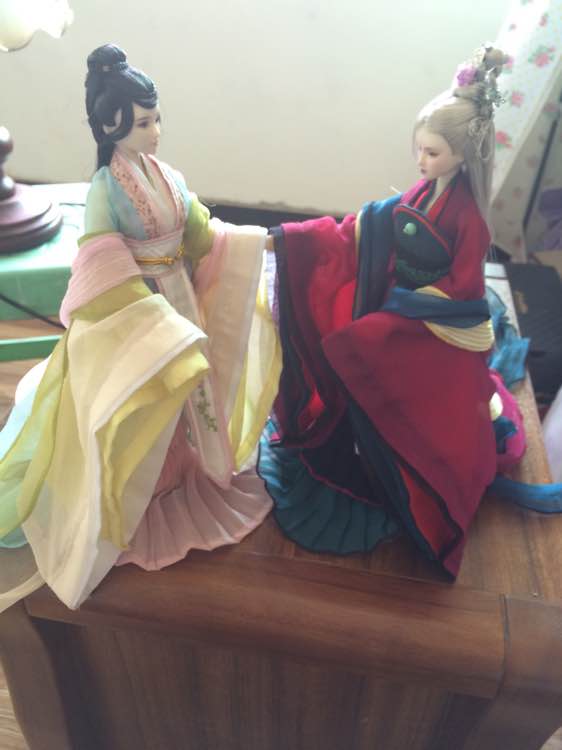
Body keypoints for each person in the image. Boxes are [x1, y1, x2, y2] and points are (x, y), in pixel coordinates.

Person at [0, 44, 280, 611]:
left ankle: (191, 472)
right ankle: (143, 491)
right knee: (150, 394)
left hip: (181, 297)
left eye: (156, 119)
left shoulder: (167, 176)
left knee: (192, 395)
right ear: (112, 126)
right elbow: (100, 257)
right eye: (144, 123)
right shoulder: (105, 188)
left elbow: (200, 233)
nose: (156, 132)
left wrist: (257, 243)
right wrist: (146, 316)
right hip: (140, 311)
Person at [259, 46, 526, 576]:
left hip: (437, 322)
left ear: (462, 156)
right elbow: (374, 223)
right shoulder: (426, 190)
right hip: (403, 301)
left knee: (356, 345)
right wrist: (293, 240)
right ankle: (365, 443)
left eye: (432, 153)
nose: (421, 162)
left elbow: (463, 286)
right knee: (350, 332)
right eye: (419, 149)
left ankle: (398, 465)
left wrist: (407, 309)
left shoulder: (469, 218)